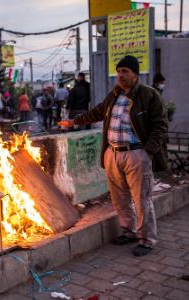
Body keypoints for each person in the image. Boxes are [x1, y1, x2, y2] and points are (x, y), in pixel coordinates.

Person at [60, 55, 168, 257]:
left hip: (136, 153)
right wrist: (73, 122)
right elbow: (97, 113)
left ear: (135, 74)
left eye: (125, 71)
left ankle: (147, 239)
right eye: (119, 71)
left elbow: (160, 126)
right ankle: (128, 231)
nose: (120, 75)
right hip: (113, 154)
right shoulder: (114, 95)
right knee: (119, 198)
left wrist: (148, 152)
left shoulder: (148, 95)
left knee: (141, 199)